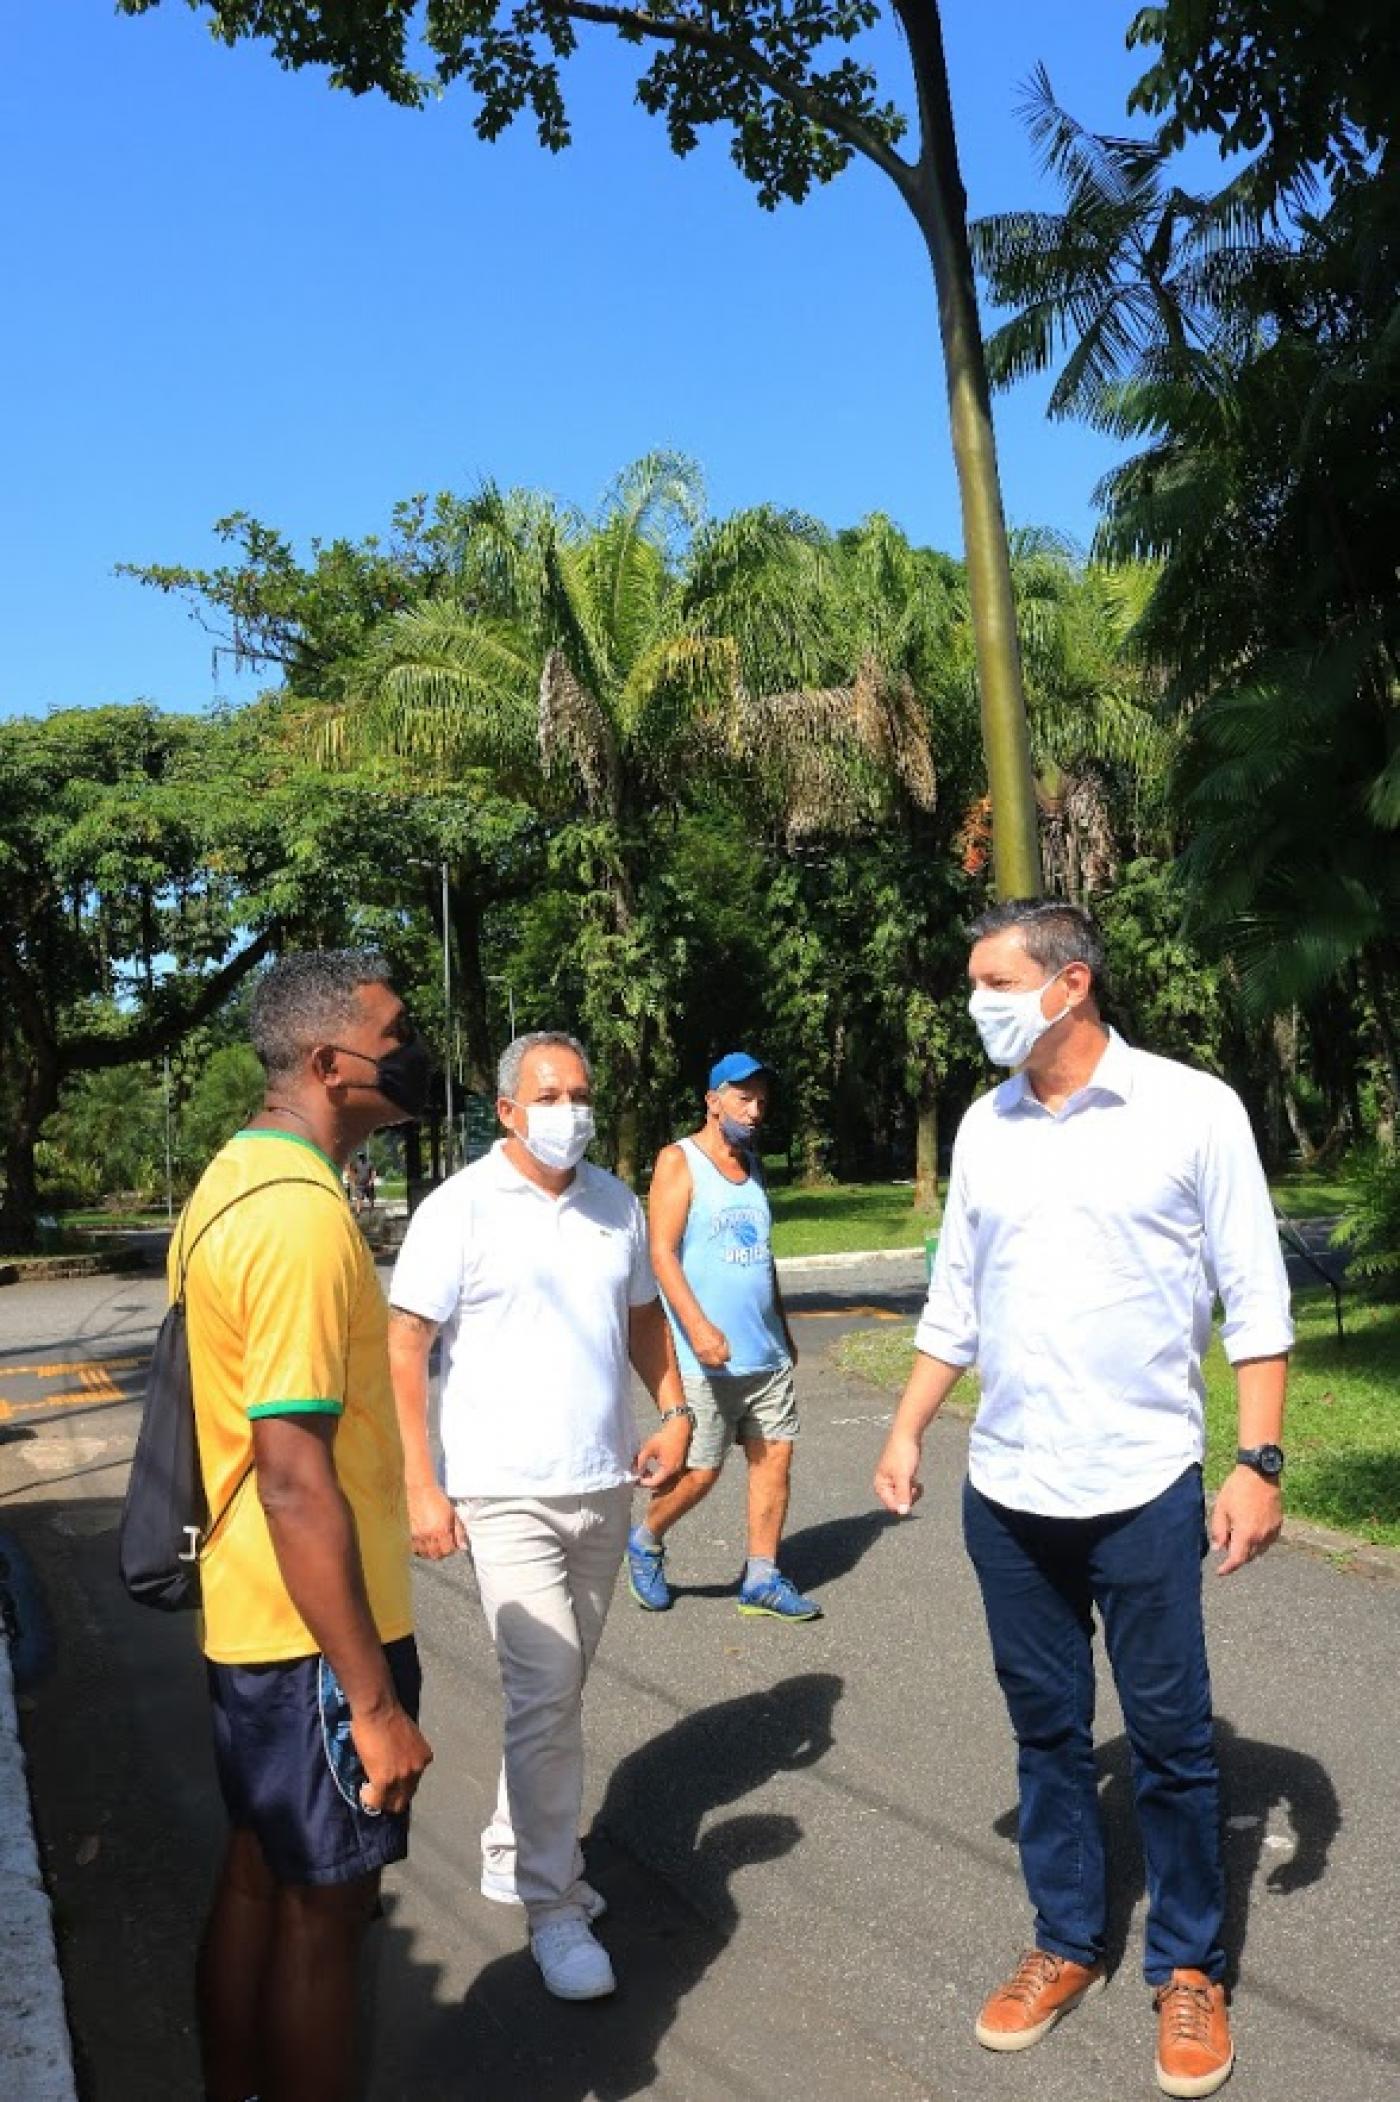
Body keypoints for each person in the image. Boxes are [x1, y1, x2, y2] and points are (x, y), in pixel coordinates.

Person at [874, 900, 1292, 2101]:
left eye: (991, 981)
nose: (975, 1003)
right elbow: (953, 1297)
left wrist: (1255, 1466)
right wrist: (905, 1427)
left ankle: (1188, 1967)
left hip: (1141, 1486)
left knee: (1168, 1742)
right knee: (1046, 1733)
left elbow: (1254, 1302)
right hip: (1007, 1491)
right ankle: (1064, 1938)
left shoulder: (1187, 1107)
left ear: (1068, 983)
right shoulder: (984, 1127)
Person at [386, 1029, 693, 2003]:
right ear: (508, 1109)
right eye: (549, 1093)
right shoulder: (459, 1208)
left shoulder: (614, 1203)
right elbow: (405, 1345)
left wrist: (675, 1407)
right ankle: (552, 1902)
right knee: (546, 1681)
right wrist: (419, 1482)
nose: (571, 1109)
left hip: (601, 1481)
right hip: (500, 1488)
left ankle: (512, 1836)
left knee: (556, 1691)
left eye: (581, 1091)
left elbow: (644, 1315)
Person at [180, 950, 435, 2102]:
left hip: (259, 1617)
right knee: (328, 1911)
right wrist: (371, 1699)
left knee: (257, 1875)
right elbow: (292, 1474)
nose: (412, 1050)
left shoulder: (231, 1176)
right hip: (319, 1634)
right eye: (394, 1032)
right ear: (333, 1064)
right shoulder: (295, 1220)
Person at [629, 1050, 820, 1622]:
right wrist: (698, 1327)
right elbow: (661, 1254)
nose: (755, 1109)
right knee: (700, 1473)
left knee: (774, 1460)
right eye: (743, 1096)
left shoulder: (754, 1167)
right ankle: (645, 1540)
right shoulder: (678, 1160)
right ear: (712, 1101)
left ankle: (761, 1576)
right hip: (702, 1356)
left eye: (762, 1098)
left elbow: (762, 1259)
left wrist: (782, 1329)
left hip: (764, 1354)